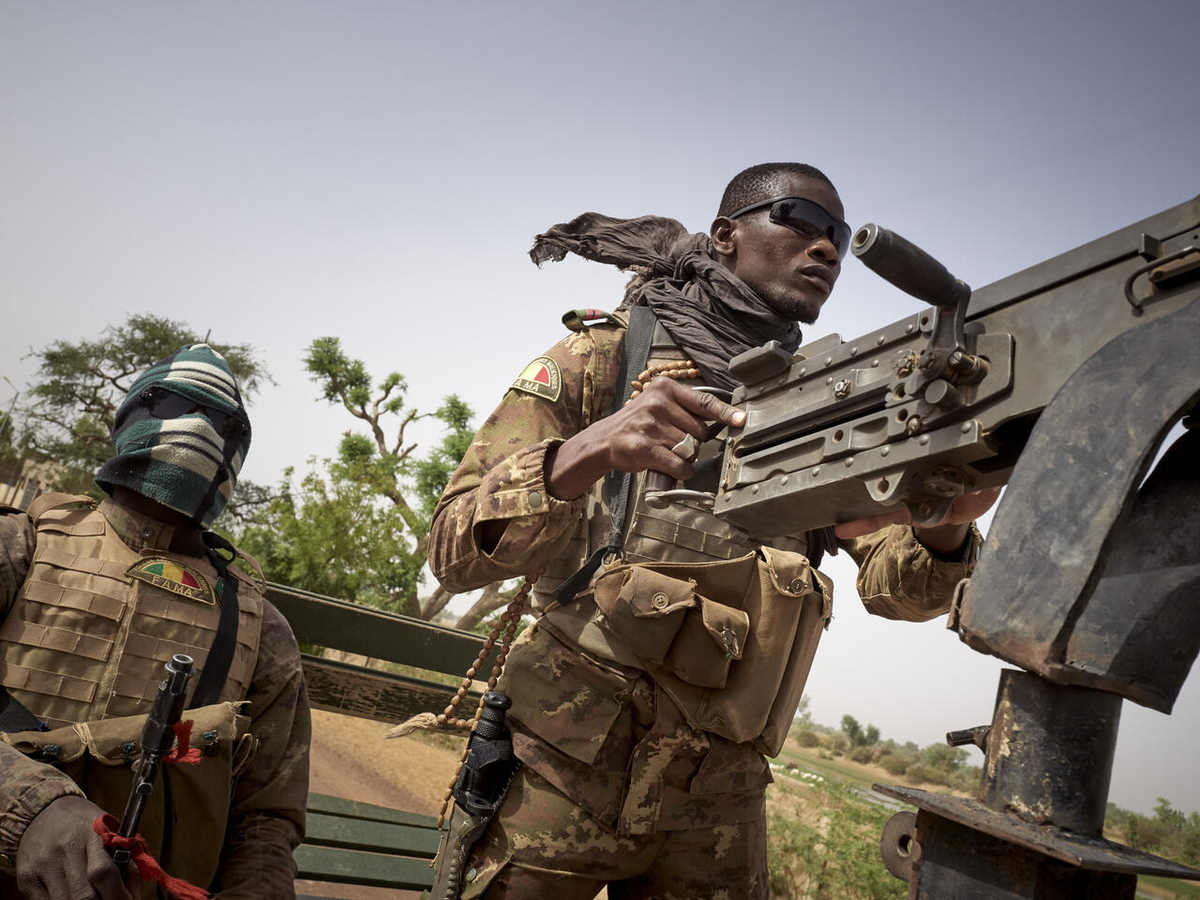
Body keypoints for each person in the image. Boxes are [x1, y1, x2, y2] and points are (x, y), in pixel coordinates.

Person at [427, 162, 997, 899]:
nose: (825, 248)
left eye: (836, 235)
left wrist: (944, 529)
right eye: (798, 220)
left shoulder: (830, 401)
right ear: (725, 235)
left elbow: (896, 589)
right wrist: (586, 451)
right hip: (559, 775)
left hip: (721, 803)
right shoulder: (607, 352)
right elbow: (453, 549)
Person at [0, 343, 310, 900]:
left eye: (218, 425)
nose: (195, 430)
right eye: (170, 407)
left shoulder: (261, 628)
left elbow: (265, 816)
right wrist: (31, 808)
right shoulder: (19, 547)